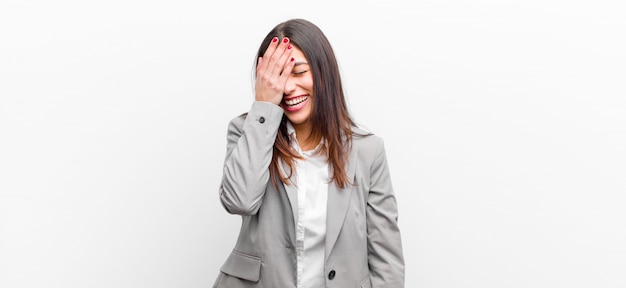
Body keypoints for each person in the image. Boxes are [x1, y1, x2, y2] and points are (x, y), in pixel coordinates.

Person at [212, 18, 404, 288]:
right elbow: (239, 201)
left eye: (299, 72)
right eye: (277, 76)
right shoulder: (248, 131)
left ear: (323, 72)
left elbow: (387, 259)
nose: (288, 88)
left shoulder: (368, 151)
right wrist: (264, 106)